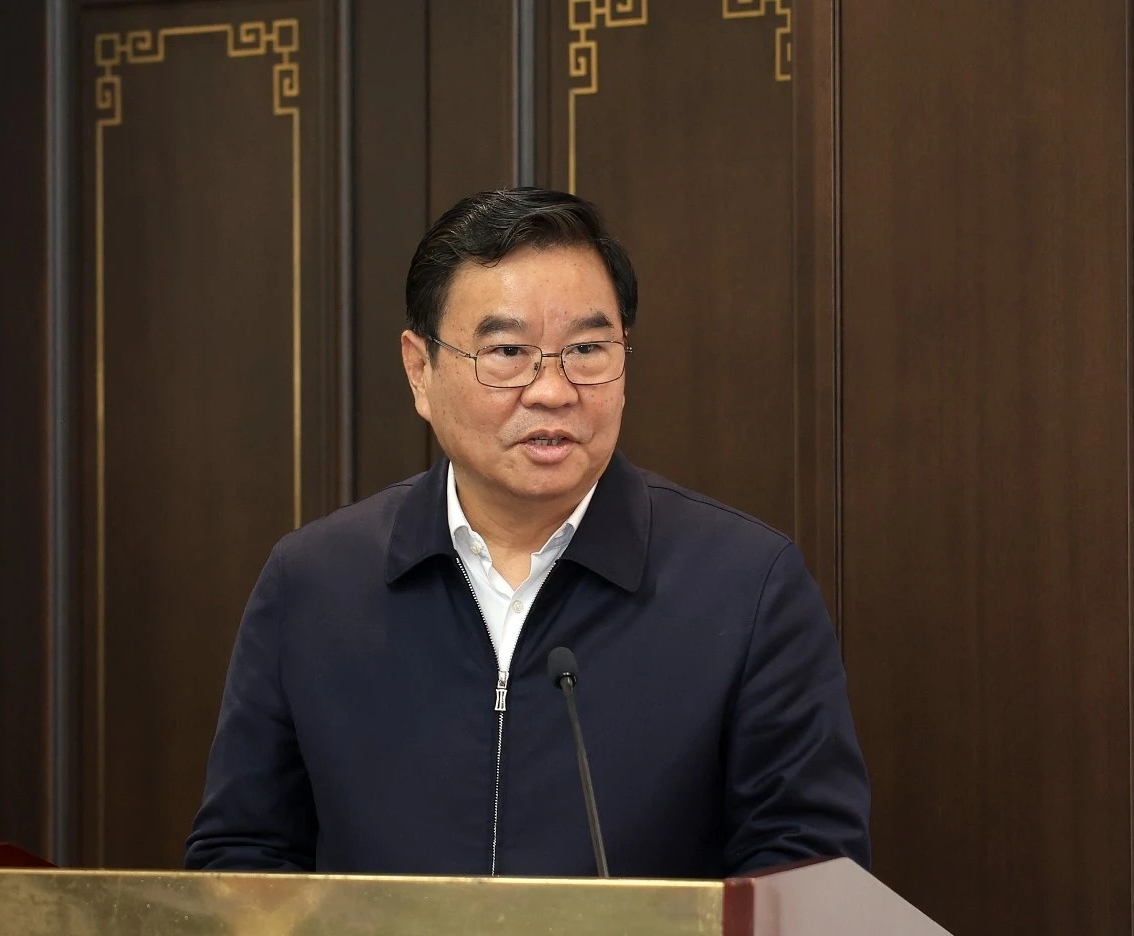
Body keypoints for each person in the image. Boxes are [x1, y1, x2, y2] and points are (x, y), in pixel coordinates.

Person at [184, 187, 870, 877]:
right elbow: (244, 859)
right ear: (420, 371)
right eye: (508, 351)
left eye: (588, 348)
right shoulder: (314, 584)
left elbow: (808, 873)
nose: (552, 390)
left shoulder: (747, 588)